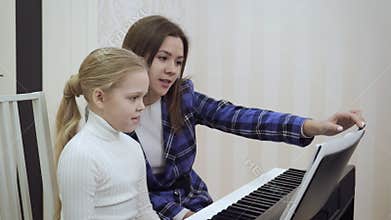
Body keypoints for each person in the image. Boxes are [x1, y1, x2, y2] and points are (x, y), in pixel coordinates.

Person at [121, 15, 365, 220]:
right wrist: (181, 215)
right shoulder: (113, 115)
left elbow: (240, 117)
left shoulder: (183, 96)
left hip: (196, 204)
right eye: (163, 58)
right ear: (137, 56)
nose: (172, 70)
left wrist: (314, 126)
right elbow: (130, 192)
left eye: (179, 61)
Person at [55, 47, 160, 220]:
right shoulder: (80, 156)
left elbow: (144, 211)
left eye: (143, 97)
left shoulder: (133, 147)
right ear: (100, 98)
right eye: (133, 98)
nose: (142, 106)